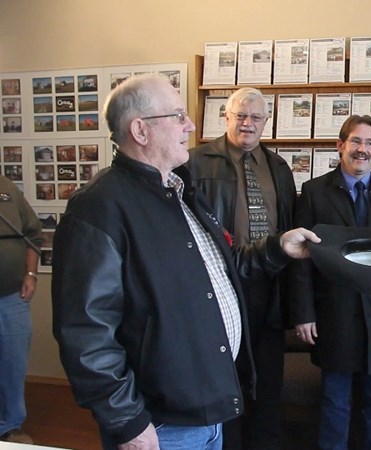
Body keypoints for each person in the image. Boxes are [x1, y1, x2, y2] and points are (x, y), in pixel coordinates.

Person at [51, 74, 320, 450]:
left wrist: (277, 247)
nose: (190, 125)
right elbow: (86, 331)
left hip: (208, 408)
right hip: (161, 423)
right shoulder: (99, 208)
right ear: (141, 130)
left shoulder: (180, 190)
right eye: (178, 116)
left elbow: (220, 269)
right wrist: (126, 421)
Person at [290, 115, 371, 450]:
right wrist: (304, 313)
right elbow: (301, 260)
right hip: (334, 315)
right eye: (356, 142)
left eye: (370, 143)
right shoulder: (314, 192)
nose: (362, 149)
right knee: (335, 401)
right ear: (340, 146)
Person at [189, 87, 294, 450]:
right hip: (223, 286)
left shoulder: (278, 167)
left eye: (256, 117)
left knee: (267, 382)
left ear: (266, 122)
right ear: (226, 117)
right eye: (240, 116)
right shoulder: (196, 163)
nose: (247, 124)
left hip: (270, 285)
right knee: (228, 380)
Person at [0, 175, 43, 445]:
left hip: (11, 296)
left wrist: (31, 274)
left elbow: (33, 233)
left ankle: (10, 427)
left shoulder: (6, 187)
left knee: (12, 364)